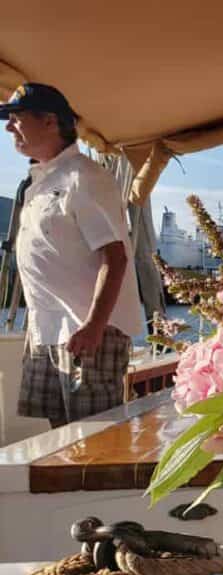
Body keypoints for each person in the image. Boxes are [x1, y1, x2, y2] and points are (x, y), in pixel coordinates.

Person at [2, 83, 143, 427]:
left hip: (86, 329)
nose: (8, 128)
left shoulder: (85, 177)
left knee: (95, 437)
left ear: (50, 121)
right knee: (60, 436)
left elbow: (116, 256)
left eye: (17, 118)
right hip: (47, 328)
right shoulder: (41, 181)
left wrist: (94, 326)